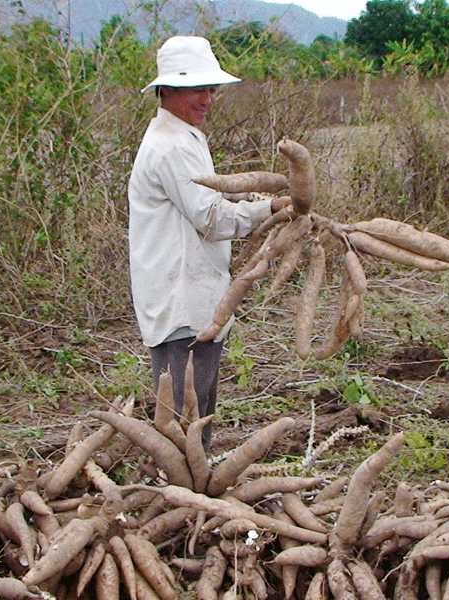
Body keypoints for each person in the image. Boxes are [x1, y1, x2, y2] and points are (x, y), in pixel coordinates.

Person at [128, 36, 290, 449]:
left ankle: (192, 486)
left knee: (197, 408)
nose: (208, 99)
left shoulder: (183, 137)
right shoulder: (170, 145)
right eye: (198, 88)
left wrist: (256, 199)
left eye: (211, 89)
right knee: (185, 414)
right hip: (179, 295)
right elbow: (212, 217)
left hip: (195, 292)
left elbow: (211, 196)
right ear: (167, 90)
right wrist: (269, 209)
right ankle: (178, 489)